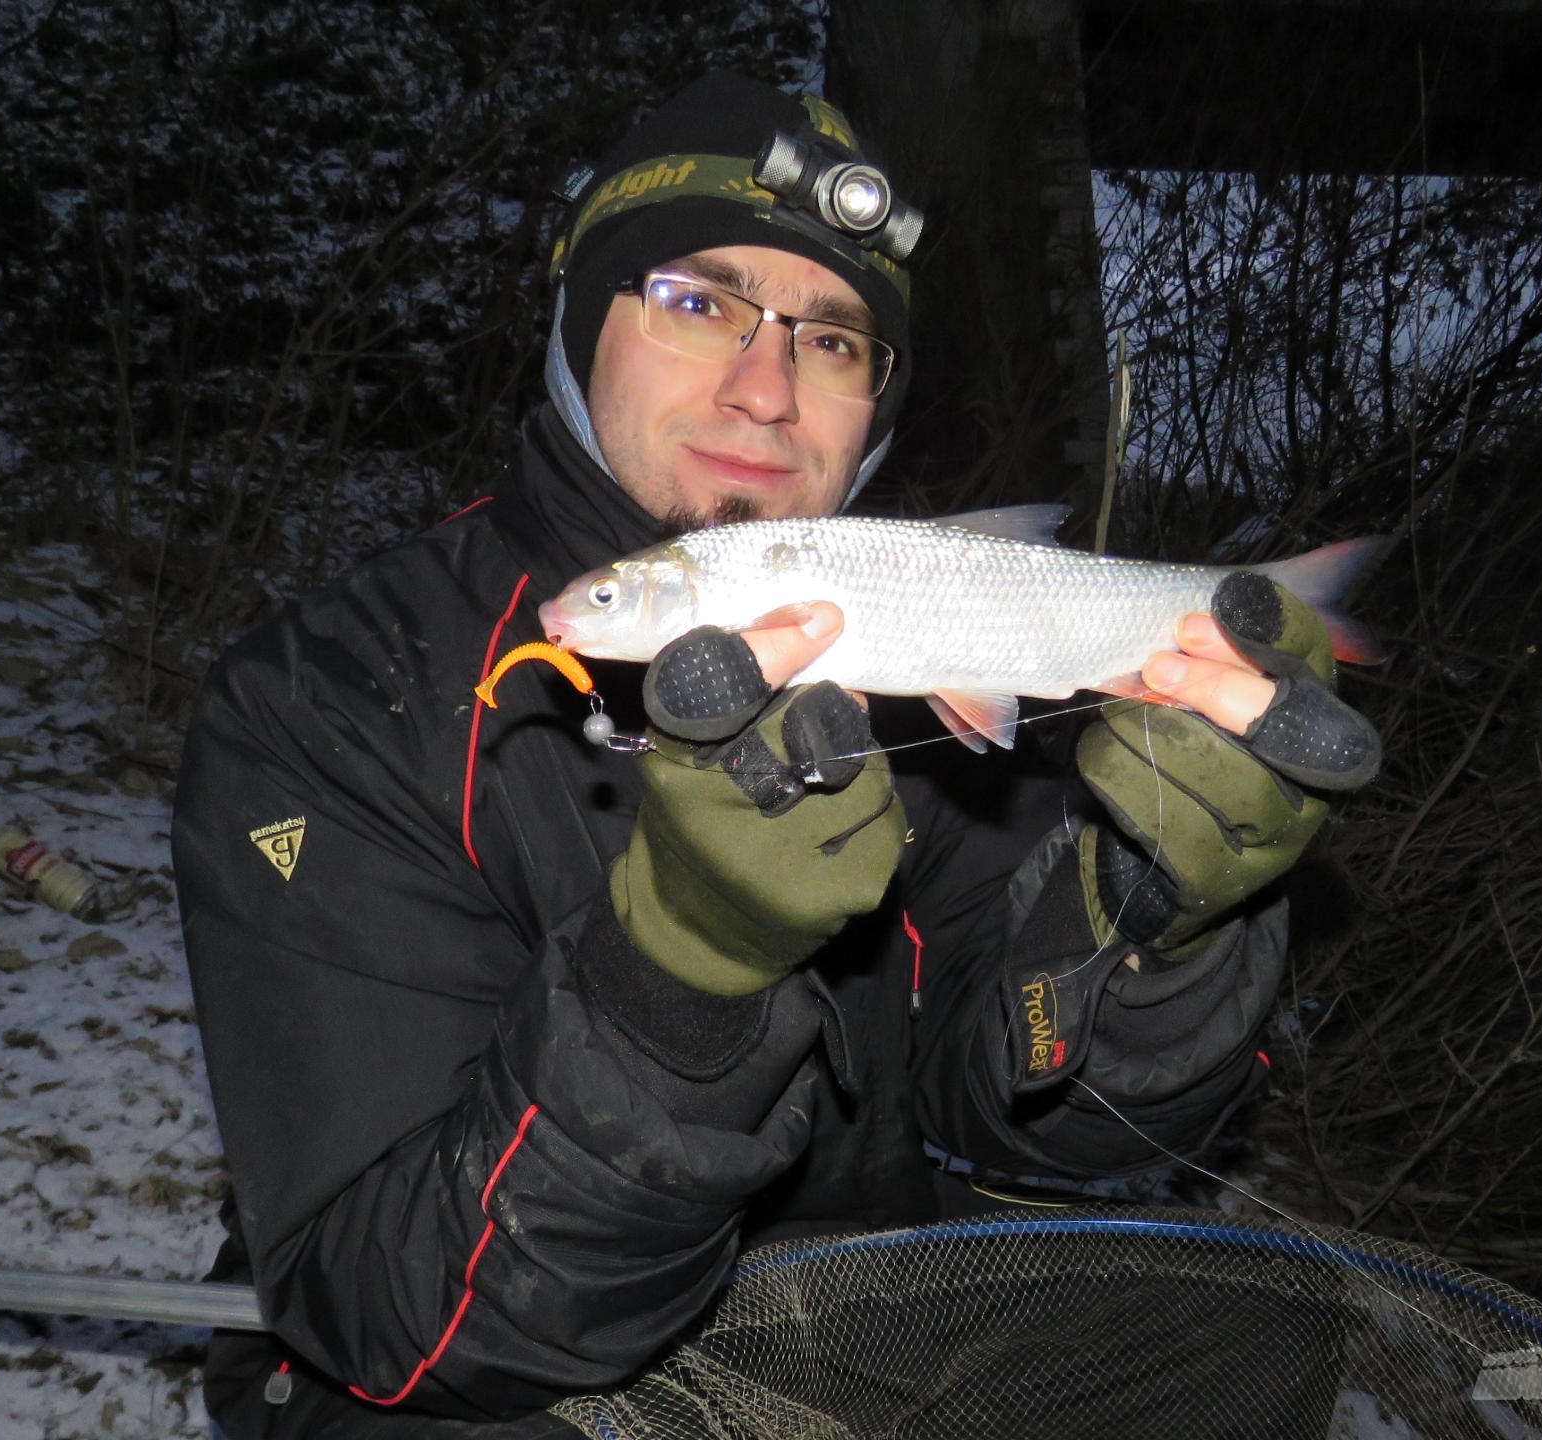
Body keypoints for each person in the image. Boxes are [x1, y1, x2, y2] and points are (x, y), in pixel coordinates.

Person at [172, 72, 1380, 1438]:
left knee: (1237, 1340)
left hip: (855, 1297)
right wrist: (678, 977)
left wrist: (1162, 921)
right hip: (477, 1340)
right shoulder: (329, 695)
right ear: (579, 326)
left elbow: (1040, 1132)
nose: (764, 390)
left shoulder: (937, 669)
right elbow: (395, 1312)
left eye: (835, 342)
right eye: (699, 301)